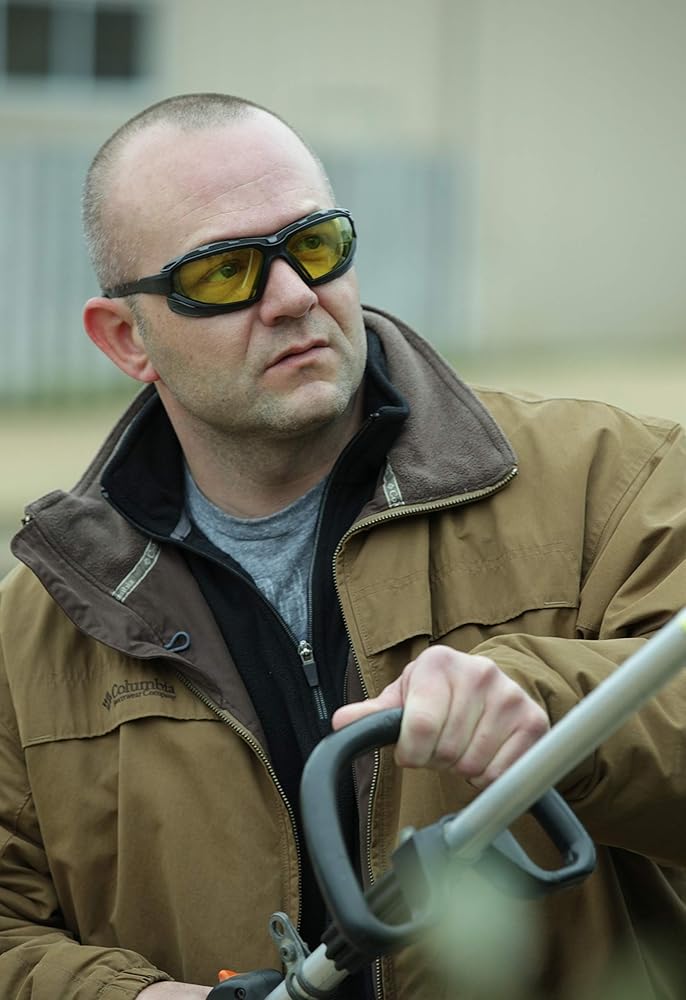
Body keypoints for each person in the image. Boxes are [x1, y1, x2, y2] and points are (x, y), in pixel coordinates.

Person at [0, 92, 684, 1000]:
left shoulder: (613, 480)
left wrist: (549, 704)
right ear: (128, 339)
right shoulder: (32, 632)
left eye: (315, 246)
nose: (293, 297)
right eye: (224, 272)